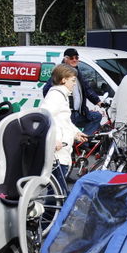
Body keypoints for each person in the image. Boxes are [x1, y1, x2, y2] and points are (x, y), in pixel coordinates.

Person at [42, 64, 88, 192]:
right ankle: (52, 212)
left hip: (61, 151)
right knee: (58, 192)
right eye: (72, 80)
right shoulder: (56, 95)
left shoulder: (62, 95)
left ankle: (52, 212)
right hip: (57, 151)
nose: (74, 84)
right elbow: (46, 117)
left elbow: (64, 121)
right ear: (63, 80)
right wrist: (55, 139)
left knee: (57, 191)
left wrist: (76, 133)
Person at [42, 48, 107, 137]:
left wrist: (98, 101)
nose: (75, 60)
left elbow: (86, 88)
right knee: (67, 135)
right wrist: (63, 103)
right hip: (69, 113)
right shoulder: (60, 73)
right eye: (72, 58)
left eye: (76, 57)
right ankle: (81, 143)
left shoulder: (77, 72)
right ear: (66, 59)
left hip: (79, 112)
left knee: (96, 117)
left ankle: (83, 142)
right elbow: (47, 91)